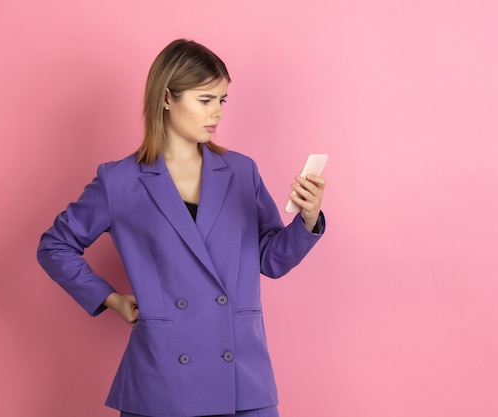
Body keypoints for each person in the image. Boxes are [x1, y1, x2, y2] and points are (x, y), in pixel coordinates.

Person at [37, 39, 326, 417]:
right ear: (167, 98)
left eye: (222, 101)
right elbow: (54, 246)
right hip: (163, 380)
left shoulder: (240, 171)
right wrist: (111, 299)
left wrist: (306, 219)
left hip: (241, 374)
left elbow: (271, 260)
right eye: (205, 100)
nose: (217, 114)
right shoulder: (120, 181)